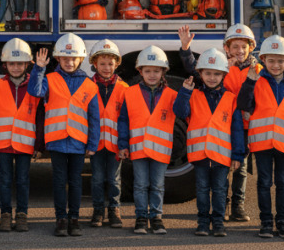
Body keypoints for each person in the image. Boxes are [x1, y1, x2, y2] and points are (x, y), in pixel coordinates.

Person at [27, 33, 100, 237]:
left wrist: (93, 144)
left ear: (80, 59)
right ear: (58, 59)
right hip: (57, 140)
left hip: (78, 141)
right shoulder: (49, 79)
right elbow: (35, 91)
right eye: (65, 58)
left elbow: (94, 118)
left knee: (75, 181)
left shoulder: (89, 85)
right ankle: (61, 219)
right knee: (59, 181)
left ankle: (74, 219)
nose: (69, 62)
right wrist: (39, 68)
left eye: (73, 58)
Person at [238, 35, 284, 239]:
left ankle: (283, 223)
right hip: (262, 145)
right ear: (263, 61)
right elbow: (243, 104)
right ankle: (266, 223)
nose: (275, 65)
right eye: (271, 60)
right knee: (264, 183)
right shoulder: (256, 82)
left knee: (283, 183)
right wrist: (250, 82)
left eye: (280, 61)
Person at [174, 47, 244, 237]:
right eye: (208, 73)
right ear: (200, 74)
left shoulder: (231, 99)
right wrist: (185, 92)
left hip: (222, 156)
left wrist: (238, 155)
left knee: (220, 190)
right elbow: (180, 112)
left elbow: (236, 130)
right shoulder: (193, 95)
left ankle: (219, 223)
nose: (212, 77)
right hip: (200, 155)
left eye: (216, 74)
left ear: (223, 75)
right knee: (203, 190)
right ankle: (203, 222)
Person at [0, 37, 44, 232]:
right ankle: (5, 215)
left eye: (20, 63)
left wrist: (39, 145)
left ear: (27, 64)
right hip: (4, 143)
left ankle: (22, 215)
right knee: (5, 181)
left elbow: (40, 118)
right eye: (12, 63)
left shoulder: (34, 86)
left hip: (25, 143)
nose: (15, 67)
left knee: (23, 181)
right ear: (5, 64)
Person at [117, 45, 177, 235]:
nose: (152, 75)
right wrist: (123, 145)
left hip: (160, 149)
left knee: (158, 185)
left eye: (156, 71)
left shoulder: (172, 95)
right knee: (141, 185)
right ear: (140, 71)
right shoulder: (130, 93)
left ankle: (157, 217)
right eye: (148, 71)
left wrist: (187, 92)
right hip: (138, 148)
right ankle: (141, 217)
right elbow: (124, 121)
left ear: (163, 72)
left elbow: (184, 111)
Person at [220, 23, 261, 222]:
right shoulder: (221, 67)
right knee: (222, 166)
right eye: (235, 47)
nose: (239, 51)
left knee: (241, 167)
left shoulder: (259, 69)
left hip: (245, 127)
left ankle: (238, 205)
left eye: (243, 47)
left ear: (250, 48)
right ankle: (222, 205)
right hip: (224, 124)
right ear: (227, 48)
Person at [87, 39, 128, 228]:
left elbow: (127, 120)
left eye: (110, 64)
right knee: (96, 179)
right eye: (102, 64)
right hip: (95, 144)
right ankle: (97, 211)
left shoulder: (124, 89)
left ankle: (114, 210)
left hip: (115, 145)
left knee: (114, 179)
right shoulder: (86, 87)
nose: (106, 68)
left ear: (117, 64)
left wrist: (124, 145)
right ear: (94, 64)